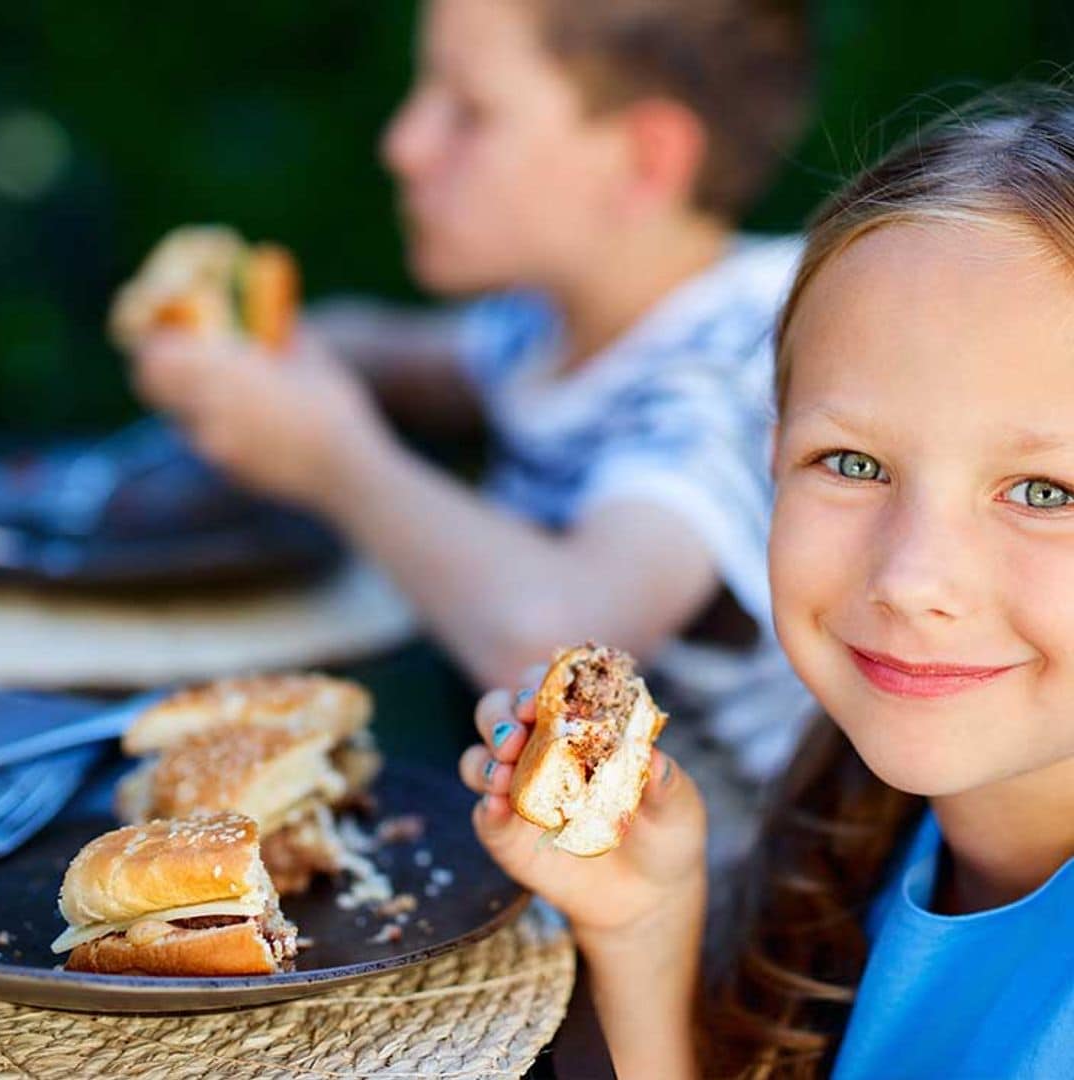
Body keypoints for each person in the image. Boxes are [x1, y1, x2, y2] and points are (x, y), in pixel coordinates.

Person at [460, 89, 1074, 1078]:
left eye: (1044, 489)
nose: (913, 578)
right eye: (853, 463)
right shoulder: (867, 834)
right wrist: (646, 930)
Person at [128, 0, 815, 785]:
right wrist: (253, 351)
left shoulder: (737, 369)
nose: (404, 144)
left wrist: (332, 459)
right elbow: (390, 351)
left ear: (642, 162)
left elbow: (566, 649)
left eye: (469, 113)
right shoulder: (555, 324)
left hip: (711, 892)